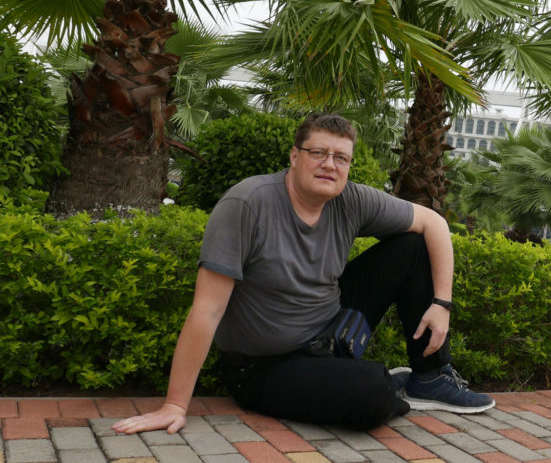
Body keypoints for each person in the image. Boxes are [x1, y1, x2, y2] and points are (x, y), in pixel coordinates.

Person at [112, 113, 494, 435]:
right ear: (294, 156)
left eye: (341, 158)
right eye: (318, 153)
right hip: (264, 367)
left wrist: (442, 304)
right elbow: (207, 310)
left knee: (412, 246)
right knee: (373, 396)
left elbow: (433, 222)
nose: (330, 164)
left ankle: (429, 378)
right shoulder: (248, 204)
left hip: (332, 332)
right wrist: (174, 405)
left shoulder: (351, 199)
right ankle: (375, 382)